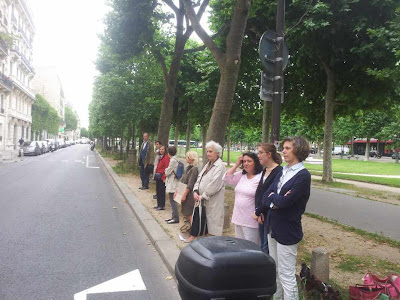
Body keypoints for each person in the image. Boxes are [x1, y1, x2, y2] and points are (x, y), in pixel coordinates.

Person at [255, 136, 311, 300]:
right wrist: (275, 198)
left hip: (287, 229)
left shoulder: (303, 175)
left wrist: (275, 197)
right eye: (284, 148)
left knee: (287, 275)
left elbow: (286, 202)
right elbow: (267, 195)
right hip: (272, 226)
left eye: (287, 148)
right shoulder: (283, 170)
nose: (283, 151)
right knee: (276, 270)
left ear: (298, 150)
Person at [223, 152, 263, 244]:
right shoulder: (242, 175)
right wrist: (236, 164)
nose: (246, 163)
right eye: (244, 161)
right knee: (239, 245)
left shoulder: (260, 177)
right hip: (238, 217)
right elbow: (227, 179)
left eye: (249, 161)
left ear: (256, 162)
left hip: (251, 220)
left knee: (251, 247)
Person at [189, 141, 225, 242]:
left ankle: (213, 246)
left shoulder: (220, 166)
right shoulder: (207, 165)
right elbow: (199, 179)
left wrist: (203, 195)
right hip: (202, 199)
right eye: (207, 151)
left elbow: (215, 184)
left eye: (210, 151)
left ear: (217, 153)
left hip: (212, 200)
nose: (208, 153)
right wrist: (195, 191)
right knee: (203, 222)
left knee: (213, 225)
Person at [254, 143, 283, 254]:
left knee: (267, 247)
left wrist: (262, 211)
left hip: (269, 214)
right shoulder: (265, 170)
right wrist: (258, 211)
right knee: (262, 245)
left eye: (260, 152)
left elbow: (272, 194)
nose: (258, 156)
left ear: (269, 154)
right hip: (260, 213)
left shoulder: (279, 172)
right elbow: (259, 192)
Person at [178, 151, 199, 240]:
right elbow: (182, 180)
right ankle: (188, 231)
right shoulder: (188, 168)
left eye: (187, 157)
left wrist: (184, 195)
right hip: (184, 193)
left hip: (189, 195)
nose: (186, 159)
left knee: (190, 214)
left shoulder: (194, 169)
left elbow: (190, 184)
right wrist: (178, 191)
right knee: (186, 213)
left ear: (191, 158)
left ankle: (193, 234)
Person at [165, 146, 180, 224]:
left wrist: (165, 170)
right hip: (175, 181)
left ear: (169, 153)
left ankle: (175, 217)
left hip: (172, 183)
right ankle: (173, 216)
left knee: (173, 200)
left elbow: (167, 172)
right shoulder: (177, 159)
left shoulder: (173, 161)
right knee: (173, 200)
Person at [154, 145, 170, 210]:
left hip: (162, 176)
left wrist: (164, 177)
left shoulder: (166, 157)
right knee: (158, 190)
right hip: (158, 176)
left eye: (162, 149)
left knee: (162, 191)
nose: (161, 150)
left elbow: (166, 168)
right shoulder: (160, 157)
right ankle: (158, 204)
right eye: (160, 149)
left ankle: (162, 205)